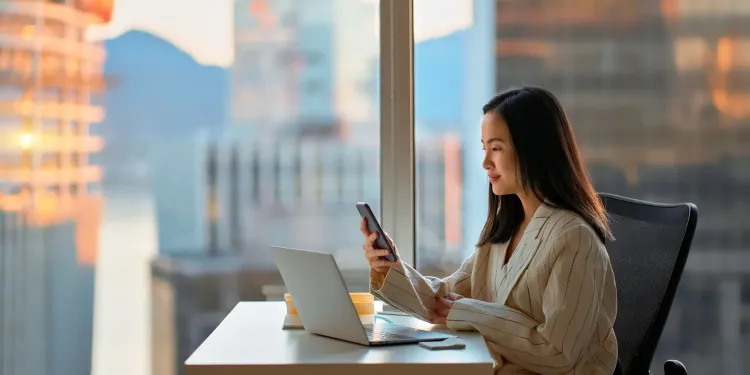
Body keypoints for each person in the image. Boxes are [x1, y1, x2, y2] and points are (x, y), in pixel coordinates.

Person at [360, 86, 618, 375]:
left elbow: (557, 354)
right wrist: (389, 268)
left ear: (533, 150)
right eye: (484, 149)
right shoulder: (504, 231)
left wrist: (470, 311)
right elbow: (445, 301)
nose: (485, 163)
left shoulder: (574, 238)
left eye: (496, 149)